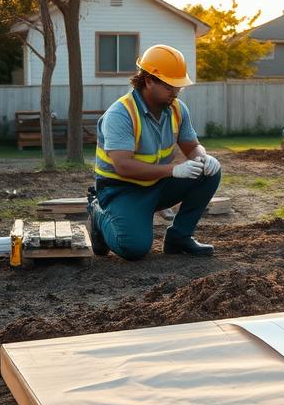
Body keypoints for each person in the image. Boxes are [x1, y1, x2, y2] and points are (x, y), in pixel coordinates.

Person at [88, 44, 220, 260]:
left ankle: (179, 237)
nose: (176, 92)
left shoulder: (177, 109)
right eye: (170, 87)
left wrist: (203, 157)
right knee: (133, 248)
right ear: (148, 81)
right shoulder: (121, 114)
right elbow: (124, 166)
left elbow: (192, 146)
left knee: (210, 172)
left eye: (179, 86)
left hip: (157, 184)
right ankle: (98, 213)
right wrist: (174, 170)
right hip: (122, 190)